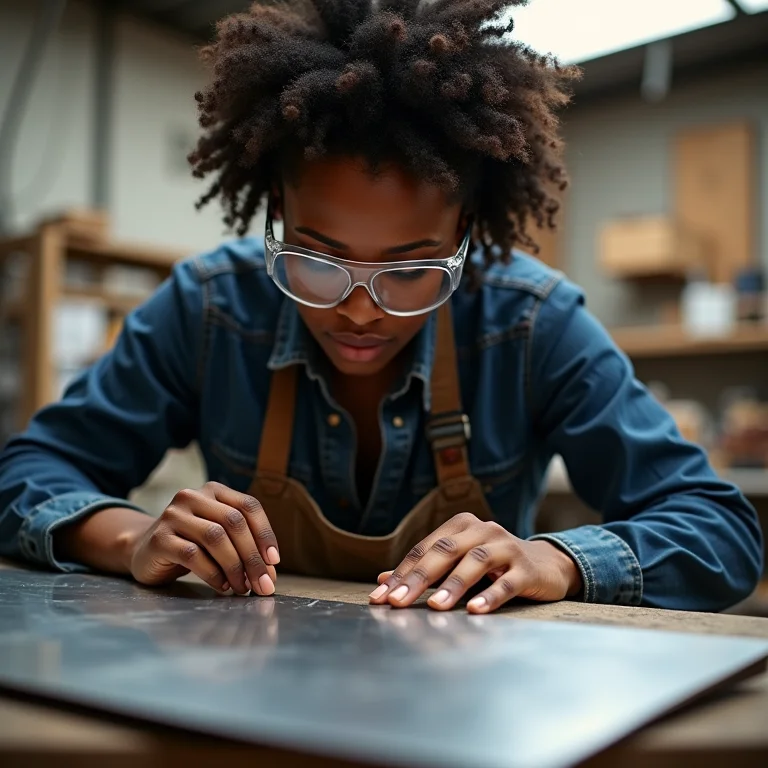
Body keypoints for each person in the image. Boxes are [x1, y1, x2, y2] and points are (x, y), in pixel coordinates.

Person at [0, 0, 762, 614]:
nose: (359, 310)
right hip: (245, 693)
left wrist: (555, 559)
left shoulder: (533, 323)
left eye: (409, 270)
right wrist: (130, 536)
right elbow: (27, 471)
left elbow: (720, 531)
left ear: (463, 236)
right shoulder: (207, 309)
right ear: (276, 212)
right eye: (319, 260)